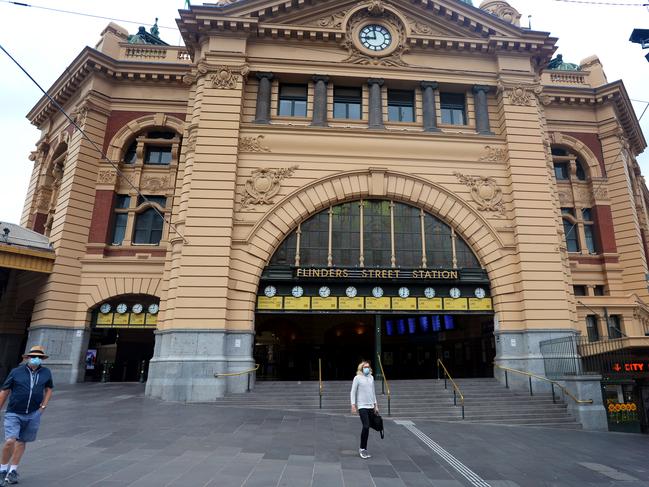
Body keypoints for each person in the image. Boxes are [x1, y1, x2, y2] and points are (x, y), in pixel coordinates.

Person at [0, 346, 53, 486]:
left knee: (22, 442)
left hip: (33, 413)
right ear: (27, 357)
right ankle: (2, 470)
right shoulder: (16, 372)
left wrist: (43, 405)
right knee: (10, 441)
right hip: (14, 412)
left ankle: (13, 471)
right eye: (34, 356)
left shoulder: (46, 372)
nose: (36, 359)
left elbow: (49, 389)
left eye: (40, 357)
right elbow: (5, 391)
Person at [350, 360, 378, 459]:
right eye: (365, 367)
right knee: (366, 426)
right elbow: (353, 392)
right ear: (361, 368)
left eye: (368, 367)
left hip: (370, 406)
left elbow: (373, 392)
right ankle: (362, 448)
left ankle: (364, 448)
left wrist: (376, 405)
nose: (367, 368)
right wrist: (353, 405)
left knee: (368, 428)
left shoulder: (371, 378)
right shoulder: (357, 378)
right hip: (362, 406)